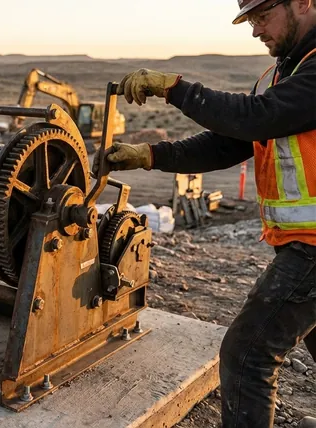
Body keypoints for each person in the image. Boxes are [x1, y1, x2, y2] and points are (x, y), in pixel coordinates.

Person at [94, 0, 316, 427]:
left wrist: (173, 88)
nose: (255, 31)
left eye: (261, 17)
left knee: (247, 355)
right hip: (300, 241)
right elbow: (228, 143)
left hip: (312, 250)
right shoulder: (281, 74)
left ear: (303, 2)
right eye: (249, 20)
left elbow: (256, 118)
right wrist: (150, 155)